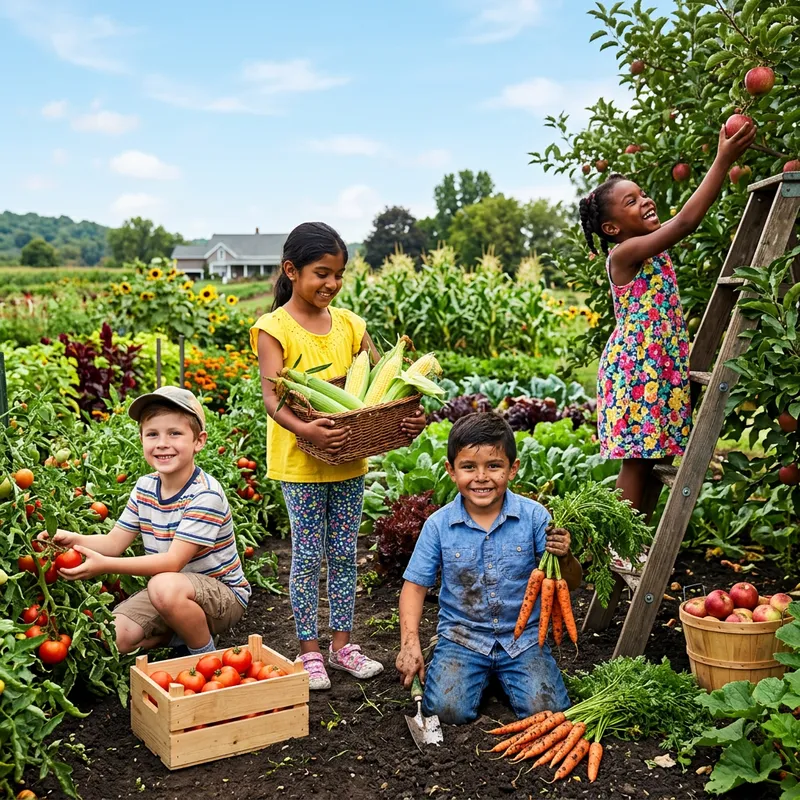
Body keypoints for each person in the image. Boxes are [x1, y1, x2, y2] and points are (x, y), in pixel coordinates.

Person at [251, 221, 426, 690]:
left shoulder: (351, 325)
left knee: (346, 554)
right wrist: (307, 428)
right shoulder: (273, 328)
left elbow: (381, 387)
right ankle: (309, 651)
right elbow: (273, 399)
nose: (331, 284)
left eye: (339, 275)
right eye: (321, 273)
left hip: (349, 457)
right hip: (301, 462)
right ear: (291, 270)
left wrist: (409, 418)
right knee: (308, 556)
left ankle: (342, 645)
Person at [579, 120, 756, 511]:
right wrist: (722, 160)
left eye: (642, 194)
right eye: (631, 201)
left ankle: (633, 543)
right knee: (637, 462)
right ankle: (618, 544)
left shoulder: (649, 251)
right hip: (635, 369)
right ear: (611, 228)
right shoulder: (624, 254)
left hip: (656, 368)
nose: (644, 201)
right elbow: (687, 222)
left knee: (649, 460)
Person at [395, 413, 581, 725]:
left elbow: (571, 582)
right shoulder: (439, 525)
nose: (481, 477)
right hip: (462, 637)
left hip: (522, 642)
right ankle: (465, 667)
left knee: (548, 713)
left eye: (493, 466)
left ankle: (500, 677)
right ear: (451, 472)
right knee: (444, 710)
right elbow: (414, 587)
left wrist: (565, 557)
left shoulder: (535, 518)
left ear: (513, 469)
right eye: (469, 467)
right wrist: (409, 641)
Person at [41, 385, 251, 656]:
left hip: (223, 597)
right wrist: (73, 539)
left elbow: (172, 563)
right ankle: (183, 633)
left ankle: (204, 654)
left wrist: (105, 566)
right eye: (152, 434)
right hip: (171, 592)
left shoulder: (204, 494)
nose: (162, 443)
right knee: (114, 634)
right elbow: (113, 542)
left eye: (175, 433)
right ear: (142, 440)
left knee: (162, 584)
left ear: (199, 441)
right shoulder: (145, 487)